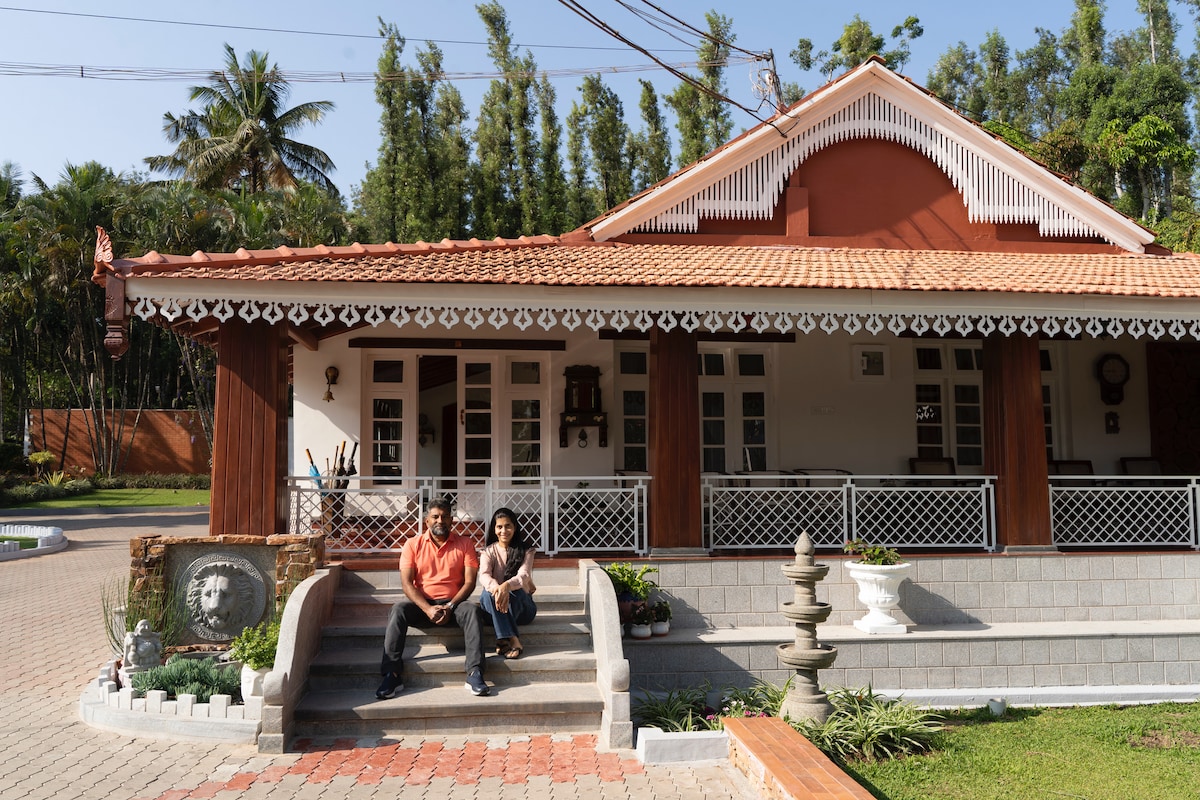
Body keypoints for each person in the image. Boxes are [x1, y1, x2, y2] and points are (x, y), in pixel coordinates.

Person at [377, 498, 489, 698]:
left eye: (445, 517)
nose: (440, 520)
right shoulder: (412, 544)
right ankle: (391, 674)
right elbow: (406, 584)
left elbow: (470, 582)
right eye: (435, 516)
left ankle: (475, 673)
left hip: (454, 605)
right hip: (423, 605)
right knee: (398, 610)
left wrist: (451, 605)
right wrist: (428, 609)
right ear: (427, 520)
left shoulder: (465, 543)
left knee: (472, 610)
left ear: (452, 520)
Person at [478, 507, 537, 660]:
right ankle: (512, 639)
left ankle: (503, 638)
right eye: (499, 527)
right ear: (494, 529)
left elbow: (523, 575)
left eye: (508, 526)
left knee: (514, 591)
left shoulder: (526, 550)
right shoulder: (488, 552)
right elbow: (484, 575)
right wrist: (498, 588)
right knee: (487, 593)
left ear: (515, 527)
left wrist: (506, 586)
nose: (504, 530)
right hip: (496, 607)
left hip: (523, 609)